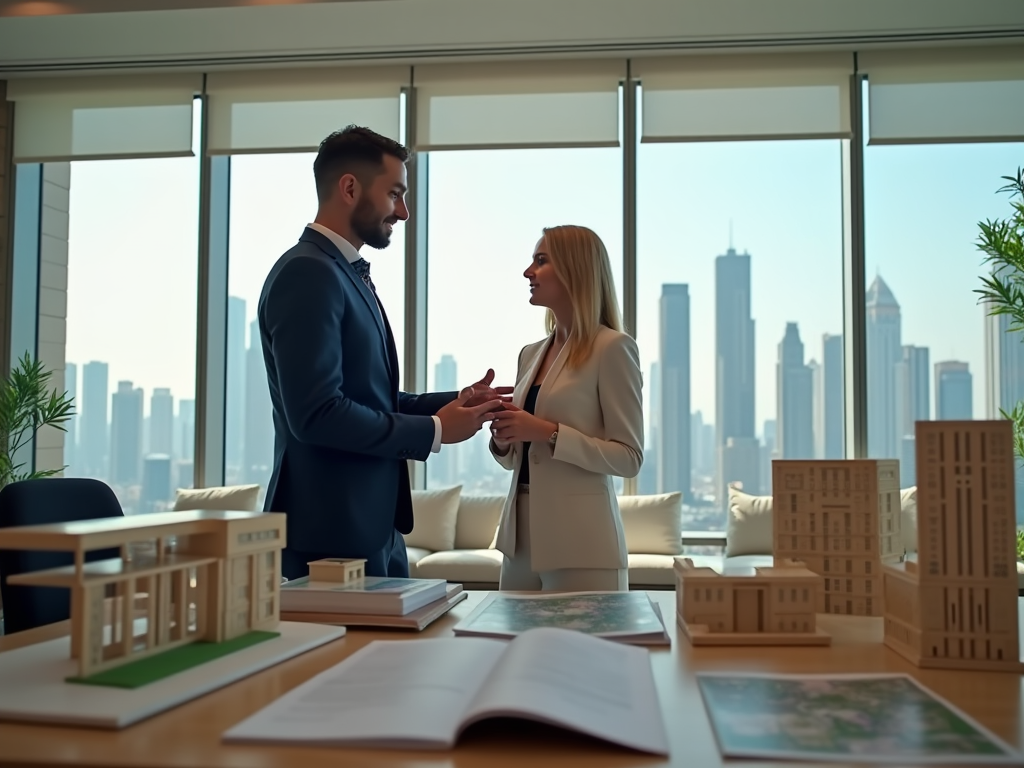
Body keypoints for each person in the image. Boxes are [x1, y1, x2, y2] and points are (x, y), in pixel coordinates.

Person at [259, 125, 509, 581]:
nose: (405, 212)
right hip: (331, 535)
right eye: (395, 193)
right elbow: (317, 414)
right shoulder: (309, 274)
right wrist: (434, 430)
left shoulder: (342, 273)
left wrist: (453, 403)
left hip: (373, 528)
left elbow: (367, 397)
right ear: (350, 188)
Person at [488, 225, 643, 592]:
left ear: (575, 270)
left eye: (541, 261)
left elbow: (628, 457)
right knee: (513, 648)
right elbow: (517, 459)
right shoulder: (530, 354)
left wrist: (546, 432)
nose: (528, 272)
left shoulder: (613, 349)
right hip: (518, 543)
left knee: (581, 651)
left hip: (582, 545)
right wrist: (503, 437)